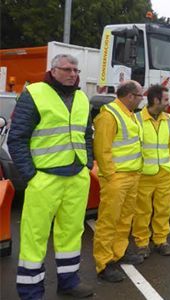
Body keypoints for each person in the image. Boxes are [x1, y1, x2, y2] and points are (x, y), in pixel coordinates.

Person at [8, 54, 94, 299]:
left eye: (75, 70)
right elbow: (17, 138)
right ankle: (30, 291)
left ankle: (69, 281)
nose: (72, 74)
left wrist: (86, 163)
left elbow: (87, 134)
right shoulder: (35, 93)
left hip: (76, 176)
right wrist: (30, 175)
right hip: (44, 178)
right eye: (67, 69)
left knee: (71, 231)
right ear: (53, 70)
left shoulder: (81, 97)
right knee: (35, 235)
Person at [93, 80, 144, 282]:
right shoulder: (109, 115)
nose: (142, 99)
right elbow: (102, 149)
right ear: (130, 96)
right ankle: (103, 263)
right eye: (140, 95)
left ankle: (119, 252)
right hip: (117, 177)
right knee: (108, 221)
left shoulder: (129, 114)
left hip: (131, 175)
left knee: (124, 219)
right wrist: (111, 176)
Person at [132, 85, 170, 258]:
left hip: (165, 173)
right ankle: (142, 242)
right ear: (156, 100)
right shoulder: (136, 119)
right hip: (144, 174)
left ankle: (161, 240)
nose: (169, 103)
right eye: (166, 99)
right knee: (142, 211)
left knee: (164, 209)